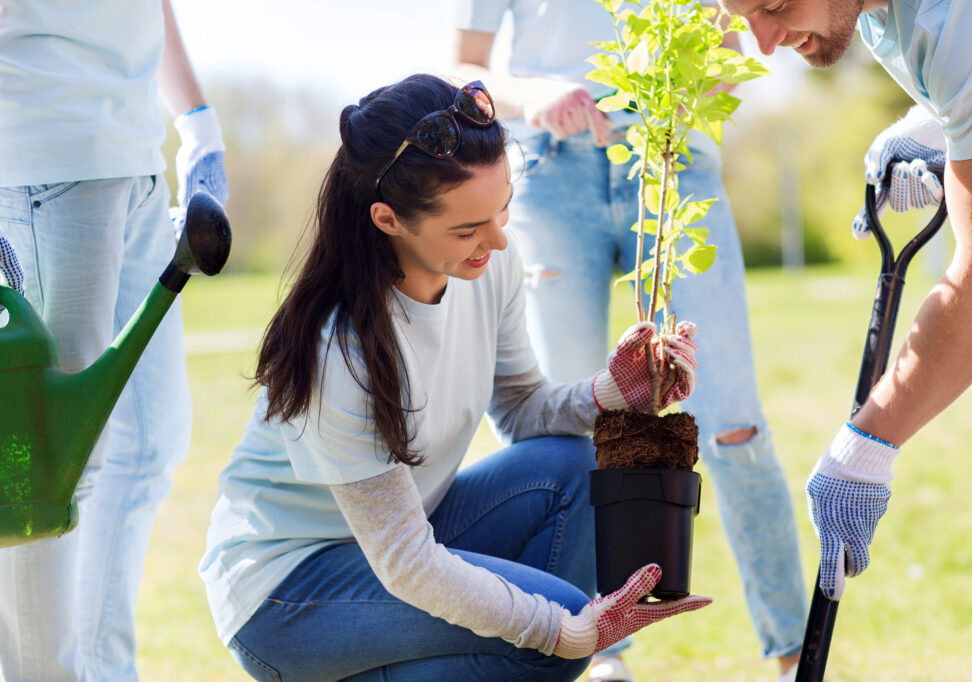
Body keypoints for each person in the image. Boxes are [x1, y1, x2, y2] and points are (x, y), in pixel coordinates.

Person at [199, 73, 710, 682]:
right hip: (286, 594)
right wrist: (557, 630)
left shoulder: (488, 264)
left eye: (503, 210)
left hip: (409, 537)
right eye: (467, 229)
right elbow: (407, 563)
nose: (495, 240)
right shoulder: (341, 349)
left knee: (576, 468)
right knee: (556, 630)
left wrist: (614, 394)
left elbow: (523, 410)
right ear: (388, 220)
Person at [450, 2, 808, 680]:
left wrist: (680, 93)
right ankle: (597, 652)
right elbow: (461, 68)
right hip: (551, 174)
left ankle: (796, 655)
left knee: (734, 424)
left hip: (675, 163)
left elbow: (734, 47)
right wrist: (532, 95)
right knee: (564, 435)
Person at [715, 0, 972, 601]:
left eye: (774, 6)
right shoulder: (881, 19)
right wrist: (938, 123)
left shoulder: (959, 16)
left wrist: (867, 445)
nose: (766, 43)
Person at [0, 1, 228, 679]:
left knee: (150, 440)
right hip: (44, 153)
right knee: (45, 473)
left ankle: (104, 670)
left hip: (132, 154)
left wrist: (198, 124)